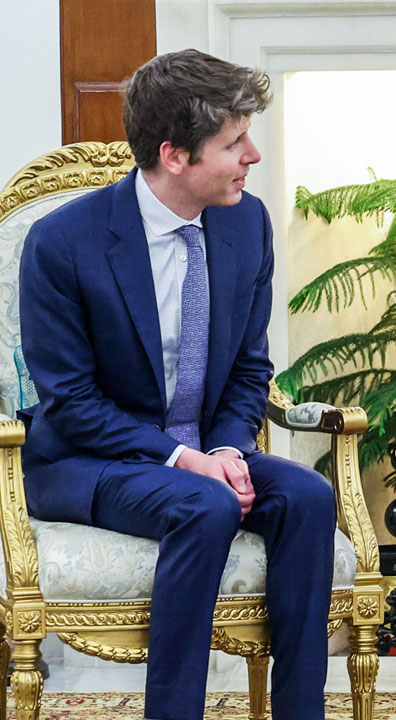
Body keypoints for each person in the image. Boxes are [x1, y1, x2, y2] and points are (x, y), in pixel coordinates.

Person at [19, 49, 335, 720]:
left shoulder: (245, 221)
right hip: (88, 459)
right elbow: (71, 404)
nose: (253, 155)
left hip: (202, 450)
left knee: (308, 495)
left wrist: (224, 448)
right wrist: (184, 460)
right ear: (175, 155)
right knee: (204, 503)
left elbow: (249, 367)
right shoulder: (63, 243)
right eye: (234, 141)